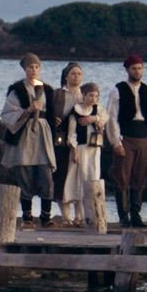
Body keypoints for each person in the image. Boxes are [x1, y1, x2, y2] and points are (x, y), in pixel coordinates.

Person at [0, 55, 60, 228]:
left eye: (36, 67)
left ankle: (46, 217)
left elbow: (52, 112)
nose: (33, 70)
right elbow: (8, 114)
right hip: (24, 133)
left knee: (46, 175)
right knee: (24, 174)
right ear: (24, 69)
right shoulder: (17, 90)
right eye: (30, 67)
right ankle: (27, 217)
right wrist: (27, 110)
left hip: (43, 133)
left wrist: (53, 122)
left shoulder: (47, 89)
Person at [108, 55, 147, 229]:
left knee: (140, 177)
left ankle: (136, 215)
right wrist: (115, 141)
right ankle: (123, 216)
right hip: (126, 137)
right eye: (134, 68)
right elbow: (112, 117)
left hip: (143, 136)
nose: (137, 71)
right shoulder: (118, 90)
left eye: (139, 68)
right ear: (127, 70)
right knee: (122, 177)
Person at [59, 82, 107, 226]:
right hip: (80, 149)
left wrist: (94, 119)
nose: (93, 99)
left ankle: (93, 214)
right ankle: (74, 215)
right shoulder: (76, 111)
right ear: (84, 95)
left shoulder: (98, 109)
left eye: (96, 96)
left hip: (94, 149)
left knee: (93, 177)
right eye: (91, 96)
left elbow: (105, 119)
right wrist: (74, 151)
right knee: (77, 179)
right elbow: (71, 133)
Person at [51, 62, 92, 223]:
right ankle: (65, 214)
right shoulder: (57, 94)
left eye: (79, 74)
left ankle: (80, 215)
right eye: (73, 73)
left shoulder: (86, 94)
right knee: (61, 175)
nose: (76, 77)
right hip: (61, 138)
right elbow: (48, 111)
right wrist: (52, 119)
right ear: (66, 76)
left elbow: (96, 111)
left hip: (81, 140)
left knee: (80, 176)